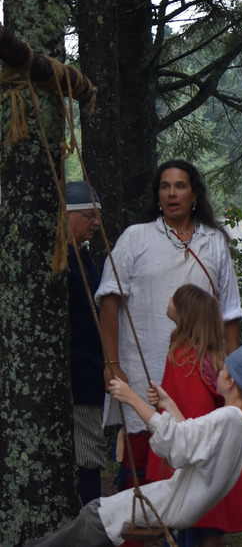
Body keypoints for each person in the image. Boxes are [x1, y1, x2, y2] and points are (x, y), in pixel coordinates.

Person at [95, 159, 242, 498]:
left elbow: (231, 312)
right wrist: (112, 363)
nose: (172, 193)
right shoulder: (136, 237)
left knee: (194, 460)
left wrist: (234, 373)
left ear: (194, 194)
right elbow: (109, 299)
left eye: (180, 186)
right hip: (142, 368)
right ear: (157, 195)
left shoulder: (214, 241)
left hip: (200, 374)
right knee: (144, 470)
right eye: (165, 186)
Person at [26, 345, 242, 547]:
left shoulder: (225, 418)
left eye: (222, 371)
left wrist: (130, 398)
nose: (218, 373)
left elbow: (177, 442)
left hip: (175, 502)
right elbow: (190, 440)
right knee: (96, 516)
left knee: (95, 517)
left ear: (230, 381)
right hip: (185, 503)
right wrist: (168, 404)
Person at [144, 285, 242, 547]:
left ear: (185, 314)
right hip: (211, 452)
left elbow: (191, 410)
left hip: (192, 450)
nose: (169, 299)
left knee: (193, 521)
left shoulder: (183, 355)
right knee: (207, 524)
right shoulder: (211, 356)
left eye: (175, 299)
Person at [65, 181, 107, 505]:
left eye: (97, 216)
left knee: (89, 459)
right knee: (84, 460)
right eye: (88, 215)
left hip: (88, 377)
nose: (95, 222)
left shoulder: (83, 256)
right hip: (74, 378)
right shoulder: (60, 261)